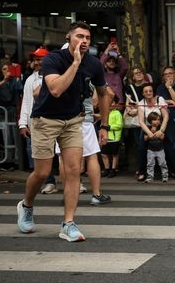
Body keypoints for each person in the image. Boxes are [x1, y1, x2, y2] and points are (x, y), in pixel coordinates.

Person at [16, 21, 111, 242]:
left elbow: (104, 94)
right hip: (45, 120)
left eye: (87, 37)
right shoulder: (53, 59)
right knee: (42, 172)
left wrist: (104, 126)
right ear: (68, 38)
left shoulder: (94, 64)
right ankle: (26, 205)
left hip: (73, 121)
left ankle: (68, 223)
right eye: (79, 36)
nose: (84, 41)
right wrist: (76, 63)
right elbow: (56, 89)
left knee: (73, 171)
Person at [18, 47, 49, 174]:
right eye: (35, 60)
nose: (36, 63)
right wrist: (22, 123)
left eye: (39, 59)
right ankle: (47, 180)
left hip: (54, 121)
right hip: (36, 123)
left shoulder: (55, 76)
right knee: (36, 153)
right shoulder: (30, 79)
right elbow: (26, 102)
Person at [101, 92, 124, 178]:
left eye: (112, 102)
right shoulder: (106, 112)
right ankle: (107, 169)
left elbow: (119, 125)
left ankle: (113, 169)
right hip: (106, 137)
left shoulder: (117, 113)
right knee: (104, 154)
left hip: (114, 138)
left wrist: (108, 127)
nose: (110, 104)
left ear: (116, 104)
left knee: (114, 154)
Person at [144, 112, 169, 183]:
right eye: (155, 120)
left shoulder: (161, 128)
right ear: (150, 121)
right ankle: (150, 177)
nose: (157, 121)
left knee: (162, 163)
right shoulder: (147, 128)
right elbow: (145, 138)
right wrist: (149, 134)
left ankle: (165, 176)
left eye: (158, 119)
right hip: (150, 150)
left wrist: (157, 132)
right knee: (150, 164)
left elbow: (162, 137)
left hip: (160, 150)